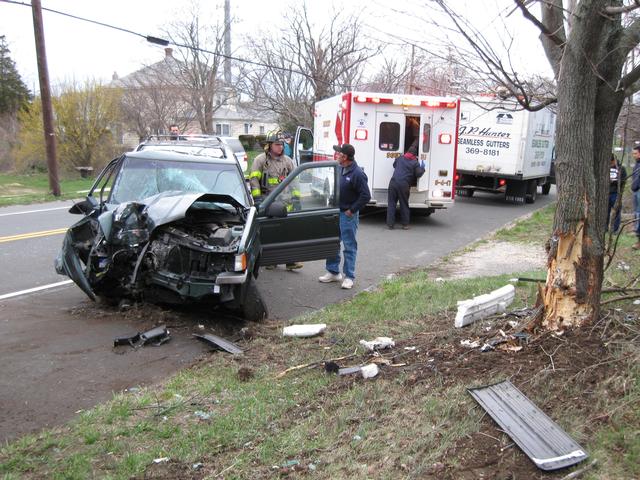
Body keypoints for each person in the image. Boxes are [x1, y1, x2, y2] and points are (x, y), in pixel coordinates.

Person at [318, 143, 371, 289]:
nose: (336, 155)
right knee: (333, 242)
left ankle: (349, 276)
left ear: (345, 156)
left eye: (339, 153)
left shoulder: (357, 174)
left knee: (349, 246)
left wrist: (352, 210)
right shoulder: (341, 168)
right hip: (336, 212)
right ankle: (333, 272)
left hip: (348, 215)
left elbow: (366, 196)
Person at [249, 134, 303, 270]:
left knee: (289, 233)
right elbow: (254, 179)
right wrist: (257, 198)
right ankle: (271, 261)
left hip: (286, 203)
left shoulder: (288, 161)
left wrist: (297, 198)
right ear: (269, 146)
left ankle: (290, 261)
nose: (280, 147)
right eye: (277, 144)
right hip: (269, 203)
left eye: (282, 144)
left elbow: (294, 180)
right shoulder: (260, 160)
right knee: (271, 233)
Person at [386, 140, 425, 229]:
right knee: (404, 204)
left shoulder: (400, 158)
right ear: (415, 155)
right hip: (404, 185)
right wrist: (422, 168)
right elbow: (418, 174)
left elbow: (394, 165)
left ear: (407, 152)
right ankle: (405, 224)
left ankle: (390, 224)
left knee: (391, 204)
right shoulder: (415, 162)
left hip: (393, 183)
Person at [606, 154, 627, 234]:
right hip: (606, 193)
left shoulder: (621, 168)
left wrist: (614, 182)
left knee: (617, 212)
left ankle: (615, 229)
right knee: (605, 212)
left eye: (611, 163)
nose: (610, 164)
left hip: (616, 193)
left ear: (614, 161)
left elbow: (623, 180)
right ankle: (605, 228)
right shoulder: (606, 167)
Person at [632, 145, 640, 249]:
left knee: (639, 215)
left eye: (635, 153)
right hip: (636, 191)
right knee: (636, 214)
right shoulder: (637, 164)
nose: (633, 155)